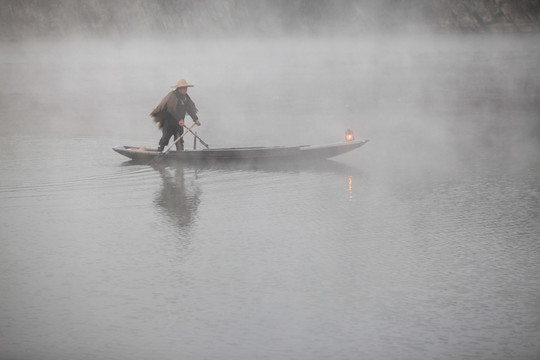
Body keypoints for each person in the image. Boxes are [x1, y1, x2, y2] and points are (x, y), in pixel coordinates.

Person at [151, 79, 201, 152]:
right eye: (184, 88)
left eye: (186, 88)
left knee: (179, 140)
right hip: (169, 122)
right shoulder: (173, 95)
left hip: (179, 123)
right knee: (165, 138)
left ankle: (180, 155)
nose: (186, 90)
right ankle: (159, 152)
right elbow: (171, 109)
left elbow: (189, 109)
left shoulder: (185, 97)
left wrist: (195, 119)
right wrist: (179, 119)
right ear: (180, 89)